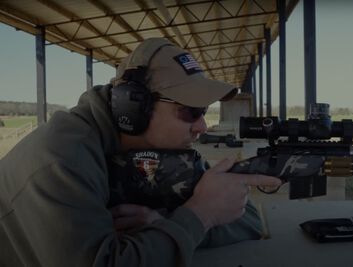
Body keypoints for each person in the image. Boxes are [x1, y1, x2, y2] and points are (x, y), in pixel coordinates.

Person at [0, 38, 281, 267]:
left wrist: (166, 224)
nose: (202, 126)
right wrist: (198, 216)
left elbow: (247, 219)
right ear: (133, 107)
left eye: (204, 111)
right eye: (190, 111)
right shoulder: (61, 160)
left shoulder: (162, 154)